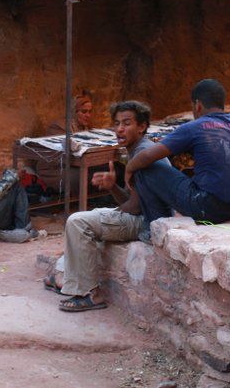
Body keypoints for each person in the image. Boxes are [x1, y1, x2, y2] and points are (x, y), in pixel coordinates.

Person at [43, 100, 166, 312]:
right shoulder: (137, 149)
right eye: (117, 123)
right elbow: (132, 201)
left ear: (142, 126)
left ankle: (89, 293)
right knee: (89, 217)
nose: (119, 129)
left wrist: (111, 214)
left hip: (148, 223)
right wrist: (112, 187)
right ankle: (64, 276)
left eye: (127, 123)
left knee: (78, 222)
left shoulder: (144, 153)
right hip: (141, 215)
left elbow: (135, 208)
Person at [126, 79, 230, 243]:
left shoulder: (195, 126)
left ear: (198, 105)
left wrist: (129, 168)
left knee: (145, 167)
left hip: (207, 208)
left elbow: (148, 156)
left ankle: (153, 229)